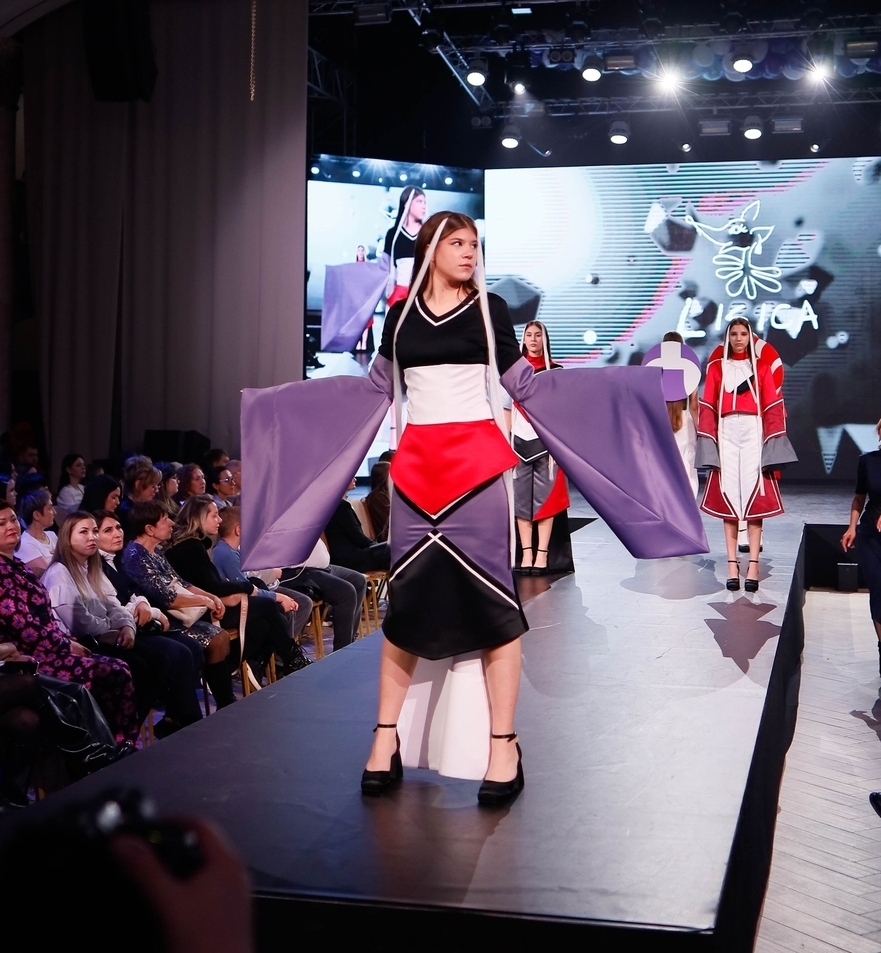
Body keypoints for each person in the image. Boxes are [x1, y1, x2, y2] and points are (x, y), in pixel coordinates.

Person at [240, 211, 707, 805]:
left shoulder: (490, 310)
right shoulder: (401, 315)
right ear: (430, 249)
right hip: (415, 478)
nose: (470, 253)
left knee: (495, 607)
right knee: (406, 608)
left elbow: (527, 387)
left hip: (479, 476)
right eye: (458, 242)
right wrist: (277, 410)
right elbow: (375, 389)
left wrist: (630, 390)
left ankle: (503, 746)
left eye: (475, 244)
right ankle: (384, 740)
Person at [0, 499, 139, 743]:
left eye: (13, 519)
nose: (11, 526)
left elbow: (108, 604)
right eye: (1, 523)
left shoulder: (18, 566)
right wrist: (66, 644)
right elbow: (25, 628)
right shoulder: (5, 571)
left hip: (49, 646)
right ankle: (110, 748)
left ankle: (118, 745)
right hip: (30, 655)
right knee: (114, 671)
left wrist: (126, 623)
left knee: (128, 665)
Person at [42, 512, 173, 724]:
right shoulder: (60, 572)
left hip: (106, 636)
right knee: (138, 667)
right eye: (83, 532)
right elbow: (80, 622)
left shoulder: (92, 567)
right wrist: (111, 630)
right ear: (67, 538)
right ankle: (117, 730)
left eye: (94, 531)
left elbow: (113, 605)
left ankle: (128, 728)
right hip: (82, 643)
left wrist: (127, 627)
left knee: (160, 661)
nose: (92, 537)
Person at [696, 318, 796, 592]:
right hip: (726, 431)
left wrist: (773, 443)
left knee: (754, 497)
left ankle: (753, 564)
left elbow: (772, 405)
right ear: (727, 338)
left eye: (743, 334)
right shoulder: (716, 367)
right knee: (729, 496)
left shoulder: (761, 367)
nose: (739, 339)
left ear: (750, 337)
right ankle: (732, 565)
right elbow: (708, 405)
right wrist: (709, 443)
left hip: (754, 431)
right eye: (734, 334)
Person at [165, 496, 305, 678]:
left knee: (263, 624)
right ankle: (291, 658)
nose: (219, 520)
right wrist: (246, 588)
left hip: (209, 604)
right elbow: (213, 588)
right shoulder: (191, 547)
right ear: (199, 517)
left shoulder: (193, 544)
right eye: (214, 516)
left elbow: (210, 584)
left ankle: (234, 666)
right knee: (268, 606)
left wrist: (241, 587)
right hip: (202, 611)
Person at [95, 510, 204, 733]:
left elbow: (135, 593)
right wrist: (153, 611)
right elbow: (112, 605)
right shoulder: (97, 565)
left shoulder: (117, 560)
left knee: (192, 647)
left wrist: (145, 606)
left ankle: (175, 719)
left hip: (138, 623)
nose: (117, 533)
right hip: (119, 630)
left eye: (118, 527)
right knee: (177, 653)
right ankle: (189, 723)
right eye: (108, 530)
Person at [121, 501, 236, 709]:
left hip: (175, 613)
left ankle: (225, 703)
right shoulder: (135, 555)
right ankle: (183, 709)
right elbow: (166, 597)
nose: (172, 523)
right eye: (165, 520)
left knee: (221, 637)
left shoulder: (155, 552)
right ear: (149, 529)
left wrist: (212, 597)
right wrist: (205, 601)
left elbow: (182, 583)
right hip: (159, 619)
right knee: (210, 642)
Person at [211, 507, 312, 673]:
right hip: (227, 609)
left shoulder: (231, 551)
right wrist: (277, 596)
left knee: (270, 620)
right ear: (239, 530)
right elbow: (246, 588)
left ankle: (268, 664)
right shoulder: (225, 553)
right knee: (272, 616)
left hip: (241, 604)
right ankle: (290, 658)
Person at [512, 320, 570, 575]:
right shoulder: (514, 372)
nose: (533, 339)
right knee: (521, 501)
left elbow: (561, 412)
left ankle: (542, 554)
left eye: (538, 335)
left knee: (546, 501)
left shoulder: (556, 372)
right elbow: (506, 408)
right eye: (529, 335)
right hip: (517, 443)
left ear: (545, 339)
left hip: (547, 445)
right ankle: (526, 553)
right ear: (523, 339)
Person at [841, 417, 881, 675]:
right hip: (871, 536)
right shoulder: (868, 461)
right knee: (878, 590)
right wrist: (852, 527)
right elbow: (859, 498)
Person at [324, 479, 391, 572]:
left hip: (352, 555)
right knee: (391, 548)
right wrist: (377, 545)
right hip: (351, 559)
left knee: (390, 549)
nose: (355, 479)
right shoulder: (340, 506)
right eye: (352, 477)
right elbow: (357, 536)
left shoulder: (339, 504)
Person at [662, 330, 699, 497]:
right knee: (688, 465)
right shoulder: (690, 369)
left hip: (661, 420)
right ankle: (688, 503)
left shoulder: (655, 370)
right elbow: (694, 405)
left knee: (665, 465)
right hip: (685, 422)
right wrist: (701, 430)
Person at [383, 186, 426, 308]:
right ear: (407, 203)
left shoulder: (428, 234)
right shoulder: (393, 234)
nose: (424, 206)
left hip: (422, 295)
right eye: (419, 201)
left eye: (424, 202)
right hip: (399, 295)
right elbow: (385, 267)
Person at [15, 489, 57, 578]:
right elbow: (49, 574)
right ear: (36, 515)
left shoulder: (52, 535)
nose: (54, 512)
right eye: (49, 508)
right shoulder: (25, 543)